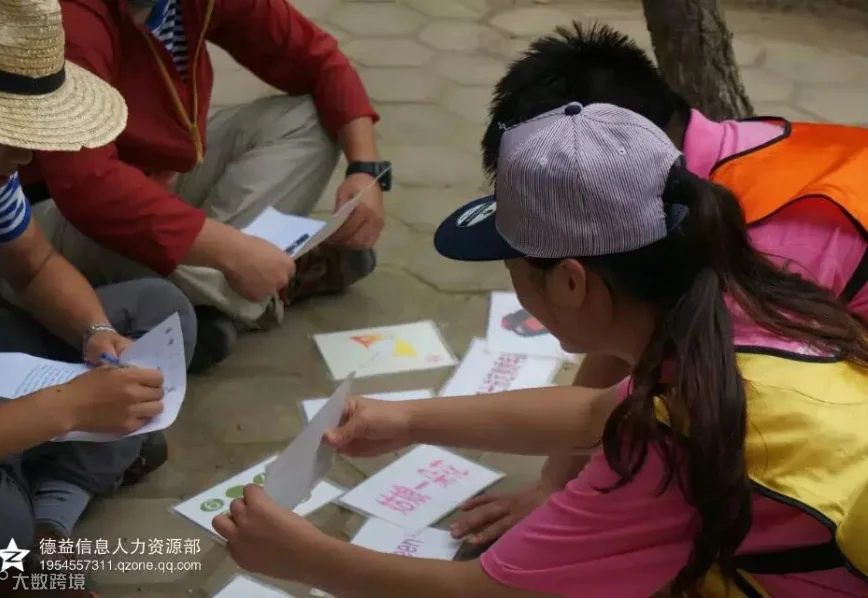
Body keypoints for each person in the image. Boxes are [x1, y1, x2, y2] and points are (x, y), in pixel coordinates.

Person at [211, 104, 868, 597]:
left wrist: (306, 557)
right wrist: (408, 419)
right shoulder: (740, 302)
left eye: (514, 270)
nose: (517, 290)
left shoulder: (670, 443)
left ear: (571, 282)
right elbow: (595, 415)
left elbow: (489, 593)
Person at [450, 22, 868, 548]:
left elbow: (637, 395)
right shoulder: (717, 161)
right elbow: (621, 329)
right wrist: (554, 482)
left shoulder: (761, 247)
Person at [0, 0, 391, 372]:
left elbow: (317, 57)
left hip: (143, 185)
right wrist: (230, 250)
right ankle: (261, 286)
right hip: (52, 213)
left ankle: (238, 286)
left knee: (306, 119)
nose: (23, 155)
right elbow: (88, 189)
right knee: (154, 297)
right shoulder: (66, 18)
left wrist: (365, 167)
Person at [0, 0, 197, 593]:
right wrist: (66, 408)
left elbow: (35, 268)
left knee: (158, 315)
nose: (25, 157)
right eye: (9, 132)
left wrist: (95, 334)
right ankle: (41, 482)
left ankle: (49, 518)